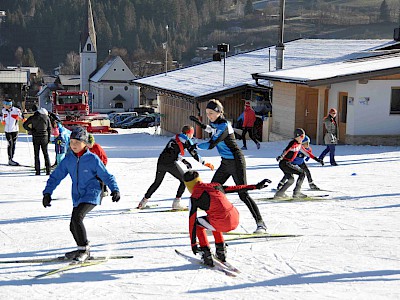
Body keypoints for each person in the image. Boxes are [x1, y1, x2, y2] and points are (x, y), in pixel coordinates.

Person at [42, 126, 120, 262]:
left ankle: (84, 250)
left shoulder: (93, 159)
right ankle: (81, 248)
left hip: (93, 193)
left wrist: (115, 189)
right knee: (73, 225)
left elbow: (106, 175)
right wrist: (47, 193)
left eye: (77, 143)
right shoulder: (68, 159)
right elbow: (56, 176)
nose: (74, 145)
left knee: (77, 217)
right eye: (72, 142)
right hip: (78, 195)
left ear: (85, 143)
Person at [190, 99, 267, 233]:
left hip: (236, 162)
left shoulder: (224, 126)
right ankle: (213, 221)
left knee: (243, 194)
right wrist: (200, 125)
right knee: (212, 191)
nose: (209, 116)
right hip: (225, 163)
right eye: (207, 113)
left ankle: (261, 224)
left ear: (219, 112)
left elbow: (211, 144)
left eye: (212, 113)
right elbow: (212, 130)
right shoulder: (218, 124)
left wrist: (194, 146)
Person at [184, 170, 270, 266]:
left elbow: (191, 222)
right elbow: (237, 188)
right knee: (213, 218)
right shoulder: (215, 185)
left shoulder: (194, 197)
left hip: (222, 223)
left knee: (198, 224)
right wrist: (256, 186)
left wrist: (193, 244)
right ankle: (221, 252)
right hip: (235, 219)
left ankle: (206, 254)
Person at [137, 125, 214, 210]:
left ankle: (143, 202)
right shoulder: (186, 140)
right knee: (184, 181)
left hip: (161, 161)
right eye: (192, 133)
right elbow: (194, 154)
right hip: (170, 163)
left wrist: (184, 161)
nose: (193, 136)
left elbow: (173, 152)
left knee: (157, 182)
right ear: (189, 133)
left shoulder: (176, 137)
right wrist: (205, 163)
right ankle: (177, 202)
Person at [274, 128, 324, 199]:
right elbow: (287, 149)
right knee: (302, 173)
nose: (302, 138)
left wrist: (318, 160)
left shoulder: (299, 145)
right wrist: (281, 156)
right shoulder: (293, 143)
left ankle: (279, 194)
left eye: (303, 137)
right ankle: (296, 193)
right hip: (285, 163)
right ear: (297, 136)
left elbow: (308, 153)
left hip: (286, 164)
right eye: (301, 137)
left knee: (291, 180)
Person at [23, 106, 51, 175]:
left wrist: (31, 130)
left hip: (36, 136)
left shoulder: (33, 117)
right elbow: (49, 128)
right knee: (46, 154)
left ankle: (37, 170)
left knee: (36, 154)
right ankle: (48, 170)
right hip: (44, 136)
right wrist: (49, 138)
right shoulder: (46, 117)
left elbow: (25, 125)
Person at [1, 99, 24, 166]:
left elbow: (21, 116)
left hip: (14, 130)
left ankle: (12, 158)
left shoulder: (16, 110)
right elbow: (3, 117)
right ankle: (10, 159)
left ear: (9, 105)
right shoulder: (3, 111)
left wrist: (22, 118)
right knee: (10, 144)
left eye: (5, 104)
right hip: (7, 130)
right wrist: (2, 121)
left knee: (13, 144)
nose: (4, 105)